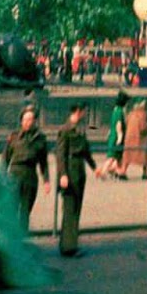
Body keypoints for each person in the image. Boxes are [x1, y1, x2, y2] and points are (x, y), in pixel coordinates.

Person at [54, 105, 96, 257]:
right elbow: (60, 154)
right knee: (70, 208)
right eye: (84, 111)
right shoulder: (65, 130)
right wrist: (63, 174)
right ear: (78, 111)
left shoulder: (79, 129)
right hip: (70, 171)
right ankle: (68, 247)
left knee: (75, 208)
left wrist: (95, 168)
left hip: (79, 171)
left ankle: (69, 243)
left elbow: (86, 151)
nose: (85, 114)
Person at [3, 106, 50, 228]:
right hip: (15, 174)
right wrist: (3, 176)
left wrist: (46, 181)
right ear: (21, 121)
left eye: (31, 120)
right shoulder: (13, 137)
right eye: (25, 120)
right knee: (11, 207)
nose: (28, 122)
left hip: (30, 176)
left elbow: (43, 162)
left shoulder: (40, 139)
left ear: (35, 121)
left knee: (26, 209)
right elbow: (5, 158)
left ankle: (22, 236)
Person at [98, 91, 128, 179]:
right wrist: (120, 137)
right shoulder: (119, 111)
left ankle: (119, 172)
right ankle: (103, 172)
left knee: (118, 157)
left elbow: (112, 125)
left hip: (112, 135)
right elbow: (118, 125)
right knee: (112, 157)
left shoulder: (115, 110)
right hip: (116, 137)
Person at [122, 100, 147, 179]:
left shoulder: (131, 114)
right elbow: (143, 127)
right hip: (140, 139)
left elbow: (126, 123)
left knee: (127, 156)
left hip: (129, 138)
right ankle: (145, 173)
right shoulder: (143, 114)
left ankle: (123, 171)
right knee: (143, 156)